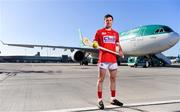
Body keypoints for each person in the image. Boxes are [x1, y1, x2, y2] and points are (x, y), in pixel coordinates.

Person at [93, 14, 124, 109]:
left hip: (113, 60)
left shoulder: (116, 33)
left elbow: (117, 44)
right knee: (100, 79)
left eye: (110, 20)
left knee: (113, 79)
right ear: (104, 21)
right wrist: (94, 44)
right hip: (103, 59)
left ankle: (113, 99)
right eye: (107, 20)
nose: (109, 22)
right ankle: (99, 100)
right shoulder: (99, 32)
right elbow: (95, 42)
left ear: (112, 21)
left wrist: (120, 51)